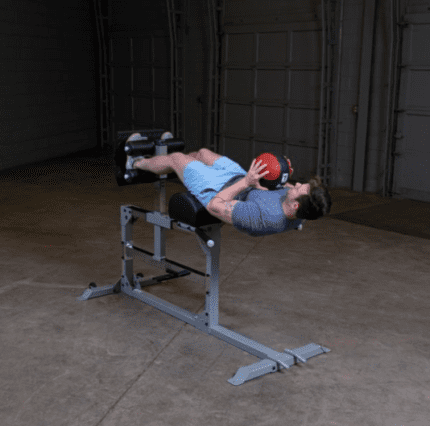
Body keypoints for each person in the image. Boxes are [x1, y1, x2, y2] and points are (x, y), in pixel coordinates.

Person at [126, 133, 332, 236]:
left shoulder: (261, 218)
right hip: (241, 179)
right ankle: (174, 166)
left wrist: (246, 182)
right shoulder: (300, 213)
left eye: (299, 189)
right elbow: (292, 198)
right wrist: (284, 173)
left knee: (177, 158)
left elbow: (216, 206)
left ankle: (136, 162)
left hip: (217, 190)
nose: (295, 185)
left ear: (296, 206)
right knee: (203, 153)